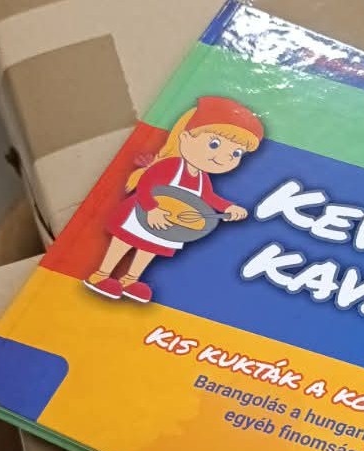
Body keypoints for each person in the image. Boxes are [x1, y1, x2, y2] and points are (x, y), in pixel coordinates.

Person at [84, 96, 262, 302]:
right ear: (185, 137)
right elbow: (146, 184)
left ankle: (130, 280)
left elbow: (208, 197)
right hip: (143, 213)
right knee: (124, 241)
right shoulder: (170, 166)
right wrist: (151, 209)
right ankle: (101, 275)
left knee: (149, 248)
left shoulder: (201, 178)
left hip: (170, 223)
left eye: (236, 153)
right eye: (214, 144)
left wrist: (230, 207)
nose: (225, 157)